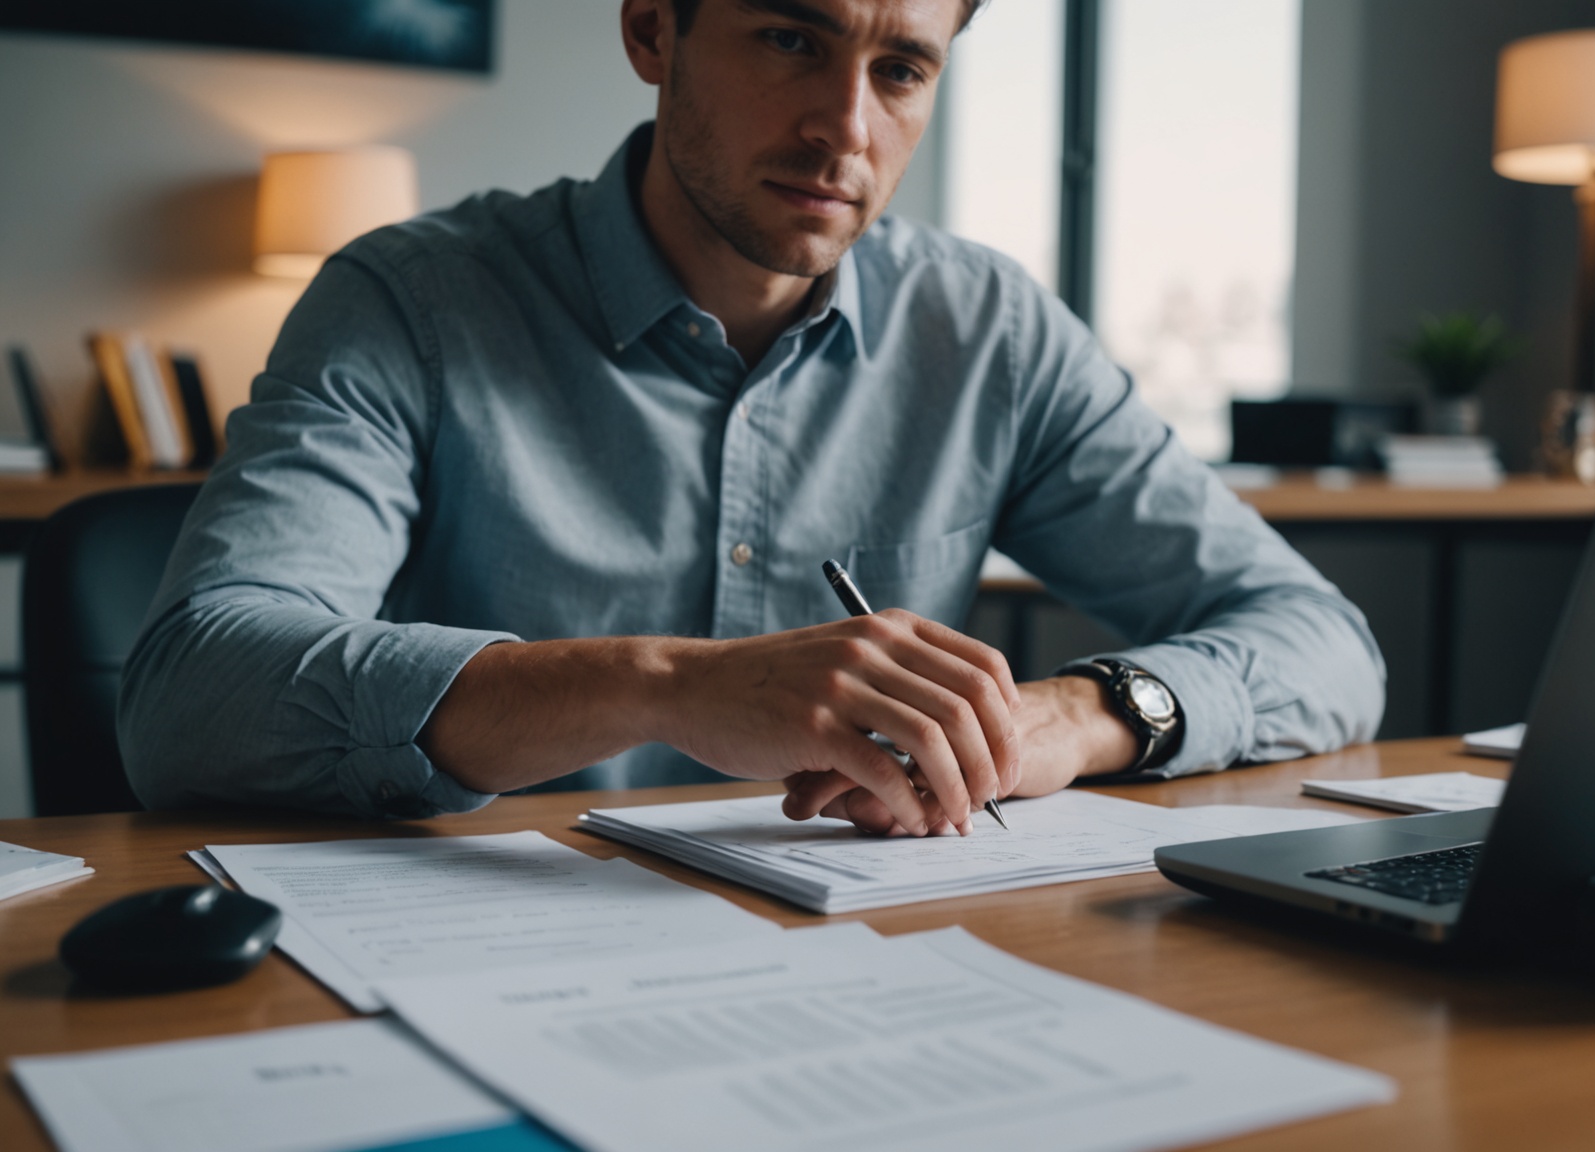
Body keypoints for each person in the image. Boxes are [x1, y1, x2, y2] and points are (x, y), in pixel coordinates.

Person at [118, 0, 1385, 836]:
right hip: (476, 958)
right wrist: (664, 683)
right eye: (790, 37)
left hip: (857, 975)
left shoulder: (987, 329)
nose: (845, 126)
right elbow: (192, 693)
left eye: (900, 70)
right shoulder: (410, 301)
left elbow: (1324, 645)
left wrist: (1070, 718)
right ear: (653, 27)